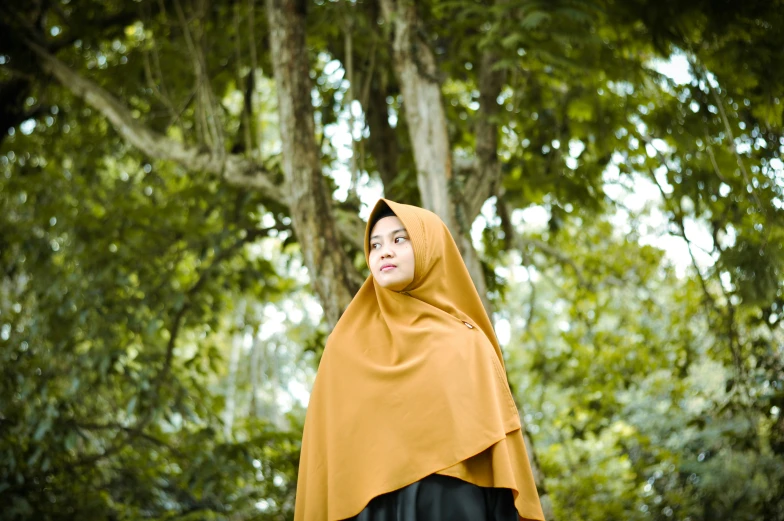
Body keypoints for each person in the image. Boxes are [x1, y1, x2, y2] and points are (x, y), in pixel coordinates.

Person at [294, 199, 546, 521]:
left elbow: (498, 457)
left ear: (430, 248)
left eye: (400, 239)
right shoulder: (344, 347)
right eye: (375, 244)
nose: (384, 251)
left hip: (452, 506)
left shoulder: (467, 343)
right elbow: (328, 459)